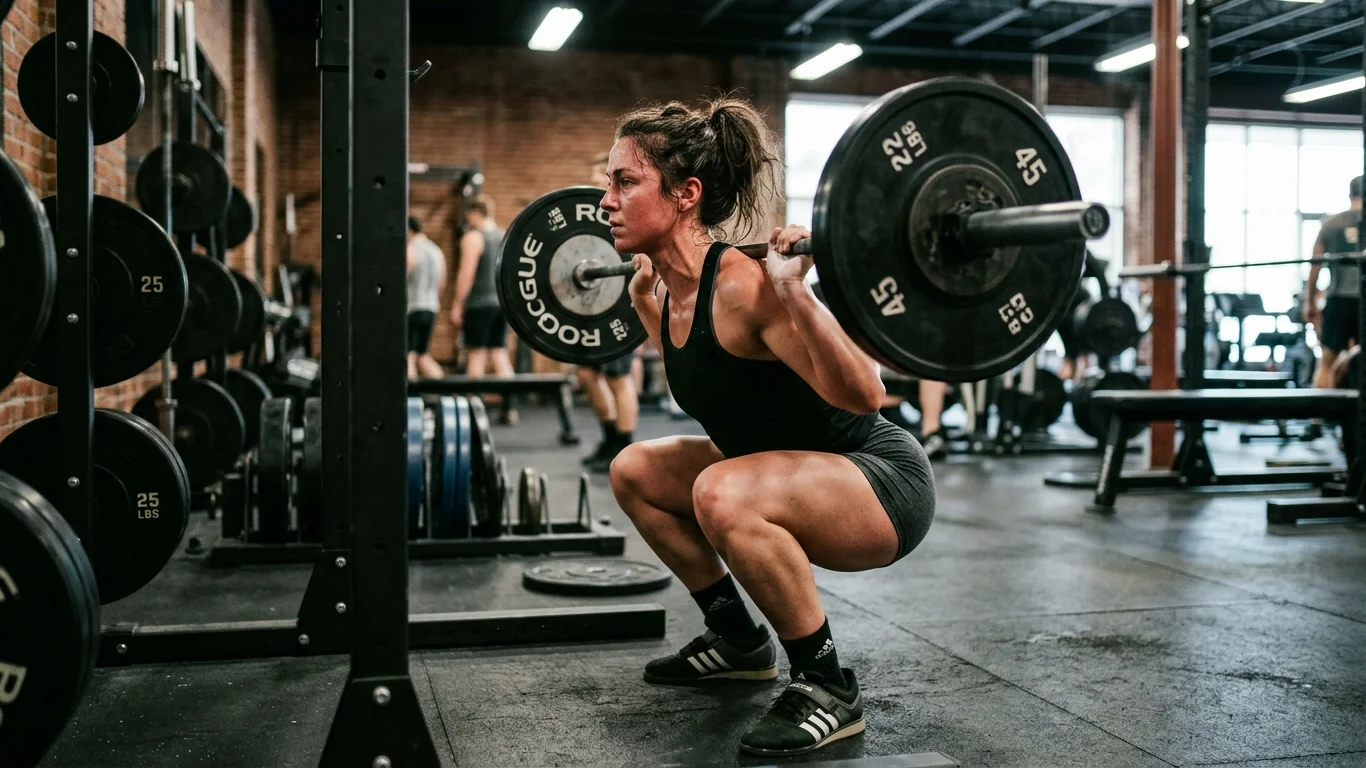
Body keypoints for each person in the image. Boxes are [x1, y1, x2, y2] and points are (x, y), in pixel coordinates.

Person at [602, 98, 936, 757]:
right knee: (634, 469)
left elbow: (866, 394)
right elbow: (715, 383)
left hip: (879, 480)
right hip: (793, 475)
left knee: (721, 490)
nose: (605, 199)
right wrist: (645, 305)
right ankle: (737, 639)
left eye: (625, 181)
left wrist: (793, 291)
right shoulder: (667, 291)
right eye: (607, 181)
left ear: (685, 194)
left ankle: (827, 685)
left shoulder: (744, 286)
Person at [579, 151, 642, 471]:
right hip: (591, 302)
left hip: (620, 300)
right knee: (586, 373)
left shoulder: (628, 208)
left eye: (603, 179)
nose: (598, 188)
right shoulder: (593, 211)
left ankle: (624, 442)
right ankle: (608, 436)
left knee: (618, 376)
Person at [1306, 176, 1363, 389]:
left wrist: (1310, 303)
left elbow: (1315, 266)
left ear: (1350, 195)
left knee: (1327, 361)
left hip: (1339, 299)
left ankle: (1316, 420)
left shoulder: (1332, 223)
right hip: (1362, 300)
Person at [451, 197, 515, 380]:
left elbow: (466, 273)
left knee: (476, 354)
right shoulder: (505, 236)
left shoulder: (473, 237)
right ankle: (509, 406)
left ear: (474, 213)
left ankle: (473, 404)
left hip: (479, 304)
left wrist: (457, 303)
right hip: (502, 304)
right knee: (499, 354)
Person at [406, 216, 447, 381]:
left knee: (408, 356)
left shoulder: (411, 248)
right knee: (423, 355)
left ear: (409, 230)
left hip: (413, 307)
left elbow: (404, 275)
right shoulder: (435, 250)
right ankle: (444, 389)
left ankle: (409, 398)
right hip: (431, 307)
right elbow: (441, 281)